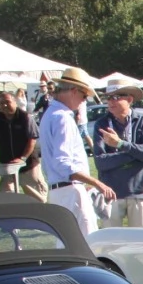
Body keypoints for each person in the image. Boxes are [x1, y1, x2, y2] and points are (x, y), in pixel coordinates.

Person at [39, 66, 114, 235]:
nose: (84, 101)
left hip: (60, 190)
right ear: (73, 91)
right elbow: (63, 163)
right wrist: (97, 183)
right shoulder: (62, 118)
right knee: (87, 244)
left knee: (67, 244)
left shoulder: (50, 114)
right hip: (70, 190)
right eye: (84, 95)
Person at [92, 80, 143, 227]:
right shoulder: (101, 125)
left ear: (129, 99)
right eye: (108, 98)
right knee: (111, 244)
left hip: (139, 193)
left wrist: (120, 144)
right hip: (111, 194)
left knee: (140, 244)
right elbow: (101, 162)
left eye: (115, 97)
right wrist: (134, 154)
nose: (110, 102)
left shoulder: (142, 121)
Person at [0, 91, 42, 196]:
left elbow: (32, 140)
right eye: (1, 103)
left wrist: (22, 158)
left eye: (7, 102)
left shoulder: (26, 118)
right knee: (5, 198)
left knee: (37, 199)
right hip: (7, 166)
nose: (4, 105)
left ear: (15, 102)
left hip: (29, 166)